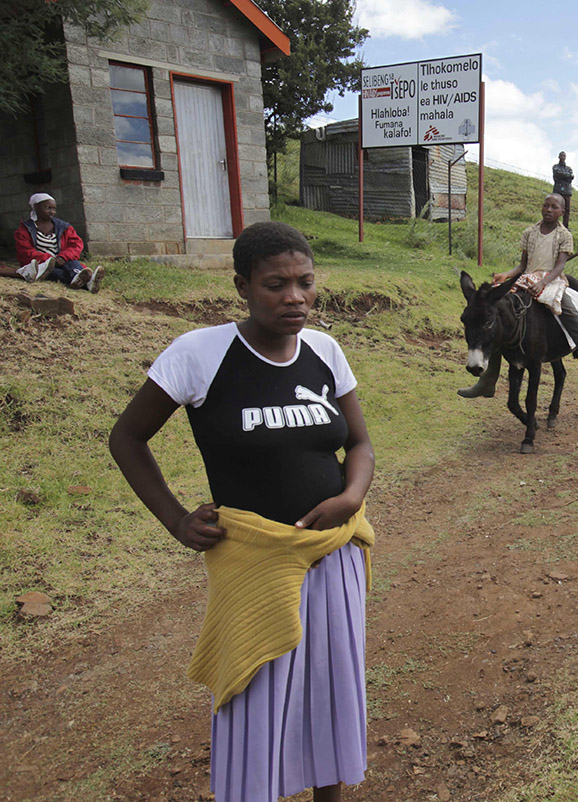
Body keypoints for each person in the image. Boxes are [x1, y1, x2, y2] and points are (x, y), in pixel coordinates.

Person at [109, 221, 375, 802]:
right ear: (243, 287)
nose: (295, 297)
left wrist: (352, 496)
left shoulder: (326, 351)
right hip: (252, 564)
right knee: (256, 693)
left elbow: (359, 442)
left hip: (332, 556)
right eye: (275, 284)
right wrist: (177, 520)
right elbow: (126, 437)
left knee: (328, 688)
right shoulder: (200, 353)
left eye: (304, 282)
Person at [457, 193, 578, 397]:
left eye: (554, 207)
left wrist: (543, 283)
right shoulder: (530, 232)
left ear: (562, 212)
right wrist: (507, 275)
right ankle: (487, 382)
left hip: (552, 282)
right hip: (526, 280)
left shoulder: (564, 236)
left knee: (574, 318)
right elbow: (523, 265)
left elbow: (560, 266)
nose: (548, 210)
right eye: (546, 206)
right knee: (498, 318)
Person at [1, 193, 104, 292]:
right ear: (36, 207)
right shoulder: (24, 229)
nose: (52, 212)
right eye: (48, 208)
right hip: (42, 265)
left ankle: (79, 278)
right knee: (55, 273)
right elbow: (25, 251)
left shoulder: (64, 227)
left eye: (54, 209)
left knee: (73, 263)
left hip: (64, 261)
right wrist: (50, 260)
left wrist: (63, 257)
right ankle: (87, 283)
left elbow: (76, 244)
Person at [552, 151, 574, 229]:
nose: (563, 157)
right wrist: (566, 176)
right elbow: (557, 174)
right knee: (555, 207)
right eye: (561, 156)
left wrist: (563, 176)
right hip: (558, 191)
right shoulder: (555, 167)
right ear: (559, 157)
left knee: (567, 210)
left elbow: (571, 177)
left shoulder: (569, 168)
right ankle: (554, 224)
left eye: (564, 156)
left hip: (567, 191)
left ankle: (565, 227)